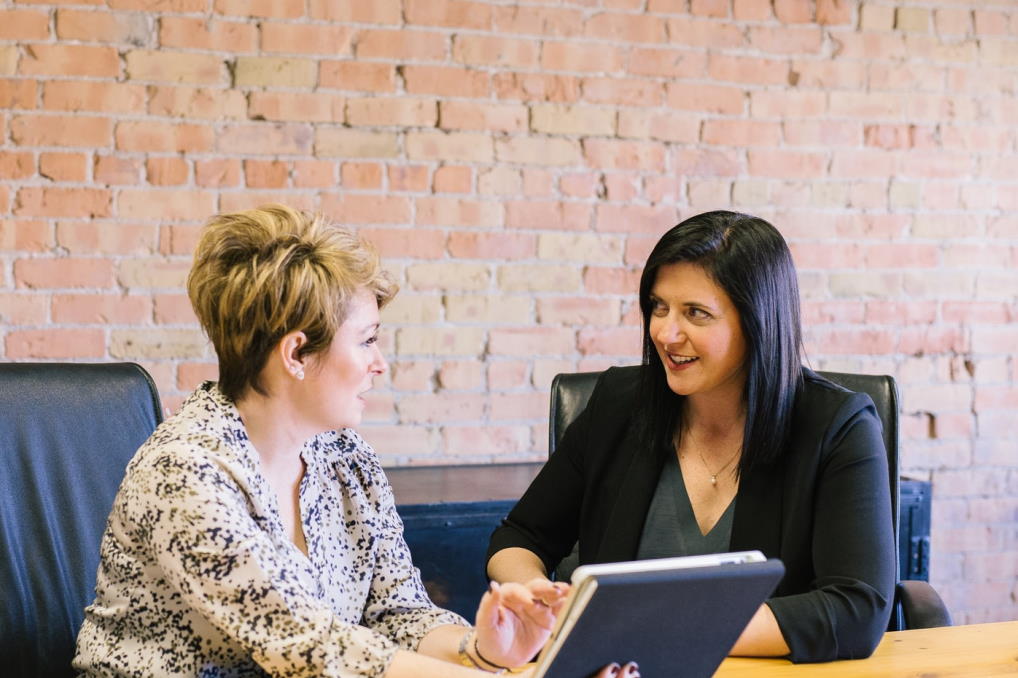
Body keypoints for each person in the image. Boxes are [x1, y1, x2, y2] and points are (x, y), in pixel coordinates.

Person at [73, 204, 635, 678]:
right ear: (296, 354)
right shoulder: (184, 471)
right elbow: (307, 647)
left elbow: (399, 613)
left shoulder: (344, 456)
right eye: (366, 341)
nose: (380, 364)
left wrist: (485, 651)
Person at [486, 210, 897, 663]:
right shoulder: (619, 405)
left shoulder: (838, 426)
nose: (665, 332)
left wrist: (651, 630)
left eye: (696, 313)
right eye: (659, 307)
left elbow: (857, 607)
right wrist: (534, 597)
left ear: (758, 321)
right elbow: (520, 537)